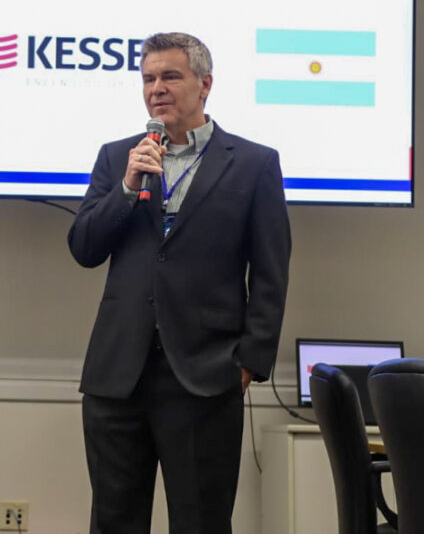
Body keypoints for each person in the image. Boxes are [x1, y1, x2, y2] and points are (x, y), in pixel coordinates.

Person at [67, 32, 291, 534]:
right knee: (113, 521)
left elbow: (271, 270)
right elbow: (84, 248)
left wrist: (250, 360)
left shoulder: (253, 163)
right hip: (117, 374)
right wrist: (127, 187)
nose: (157, 89)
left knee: (201, 522)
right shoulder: (118, 157)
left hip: (205, 374)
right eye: (148, 79)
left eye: (170, 76)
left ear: (205, 84)